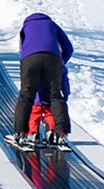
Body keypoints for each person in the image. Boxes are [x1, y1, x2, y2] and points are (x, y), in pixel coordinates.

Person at [12, 13, 72, 148]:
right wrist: (61, 63)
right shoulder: (52, 25)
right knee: (55, 95)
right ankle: (61, 134)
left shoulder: (25, 28)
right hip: (53, 58)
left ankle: (21, 133)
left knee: (26, 95)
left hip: (30, 58)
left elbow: (22, 48)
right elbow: (68, 47)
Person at [28, 63, 69, 144]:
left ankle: (33, 132)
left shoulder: (37, 62)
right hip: (51, 96)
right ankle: (51, 130)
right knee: (50, 114)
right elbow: (65, 81)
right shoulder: (60, 65)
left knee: (34, 115)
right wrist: (66, 93)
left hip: (37, 96)